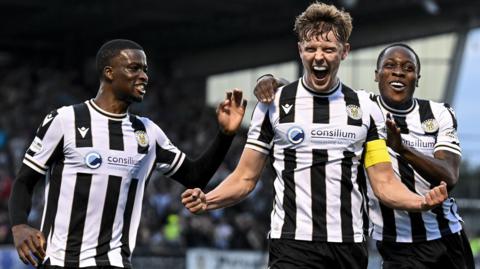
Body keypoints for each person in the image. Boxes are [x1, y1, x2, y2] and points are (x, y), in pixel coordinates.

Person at [181, 3, 448, 269]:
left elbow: (384, 183)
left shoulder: (366, 109)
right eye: (311, 48)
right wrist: (208, 200)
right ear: (300, 51)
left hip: (348, 245)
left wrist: (421, 201)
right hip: (291, 243)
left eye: (329, 49)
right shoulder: (273, 104)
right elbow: (245, 177)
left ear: (344, 52)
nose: (319, 57)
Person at [8, 39, 247, 269]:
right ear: (109, 72)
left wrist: (225, 135)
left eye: (145, 70)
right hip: (60, 262)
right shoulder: (65, 120)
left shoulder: (148, 132)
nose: (144, 76)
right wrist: (19, 225)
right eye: (134, 68)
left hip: (116, 263)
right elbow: (24, 181)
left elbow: (195, 177)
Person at [253, 44, 475, 268]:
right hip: (396, 245)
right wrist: (270, 79)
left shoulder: (439, 113)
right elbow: (305, 91)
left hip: (447, 238)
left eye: (408, 68)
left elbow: (450, 176)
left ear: (417, 78)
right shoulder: (360, 107)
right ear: (377, 75)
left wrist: (403, 150)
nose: (398, 72)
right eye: (389, 66)